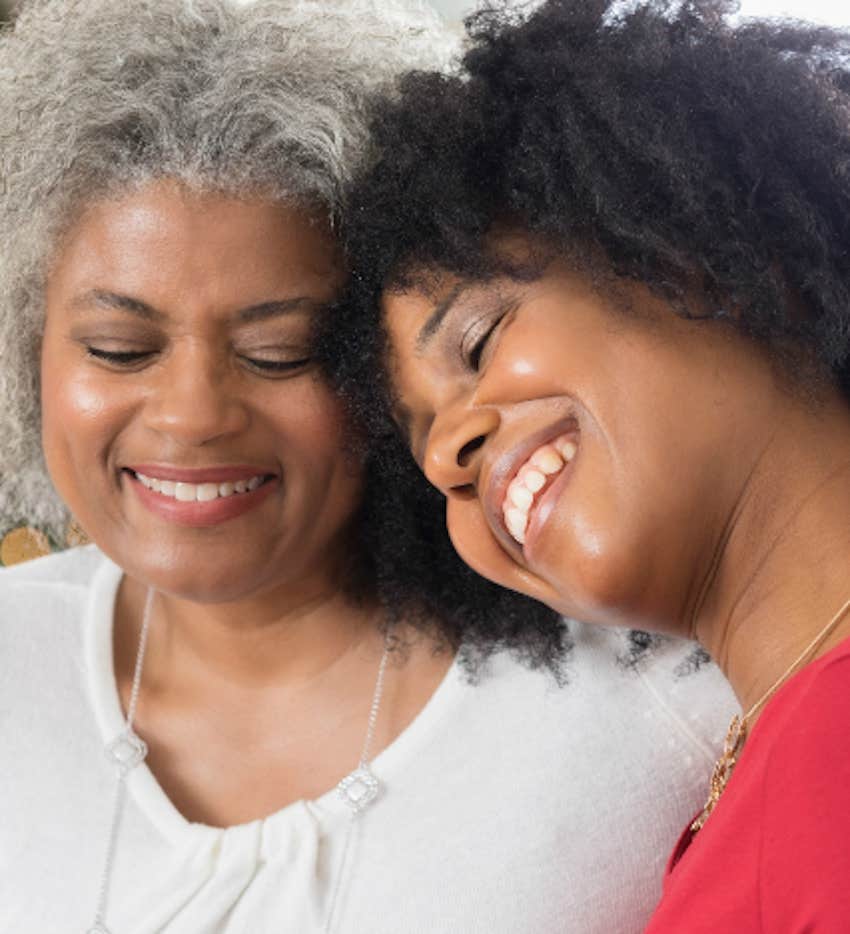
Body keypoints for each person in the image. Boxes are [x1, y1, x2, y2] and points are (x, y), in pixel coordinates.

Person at [0, 1, 736, 932]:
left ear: (392, 365)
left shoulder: (658, 706)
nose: (190, 416)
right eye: (117, 348)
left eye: (281, 352)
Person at [329, 0, 850, 929]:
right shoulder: (759, 777)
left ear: (691, 249)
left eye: (480, 340)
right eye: (423, 455)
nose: (449, 455)